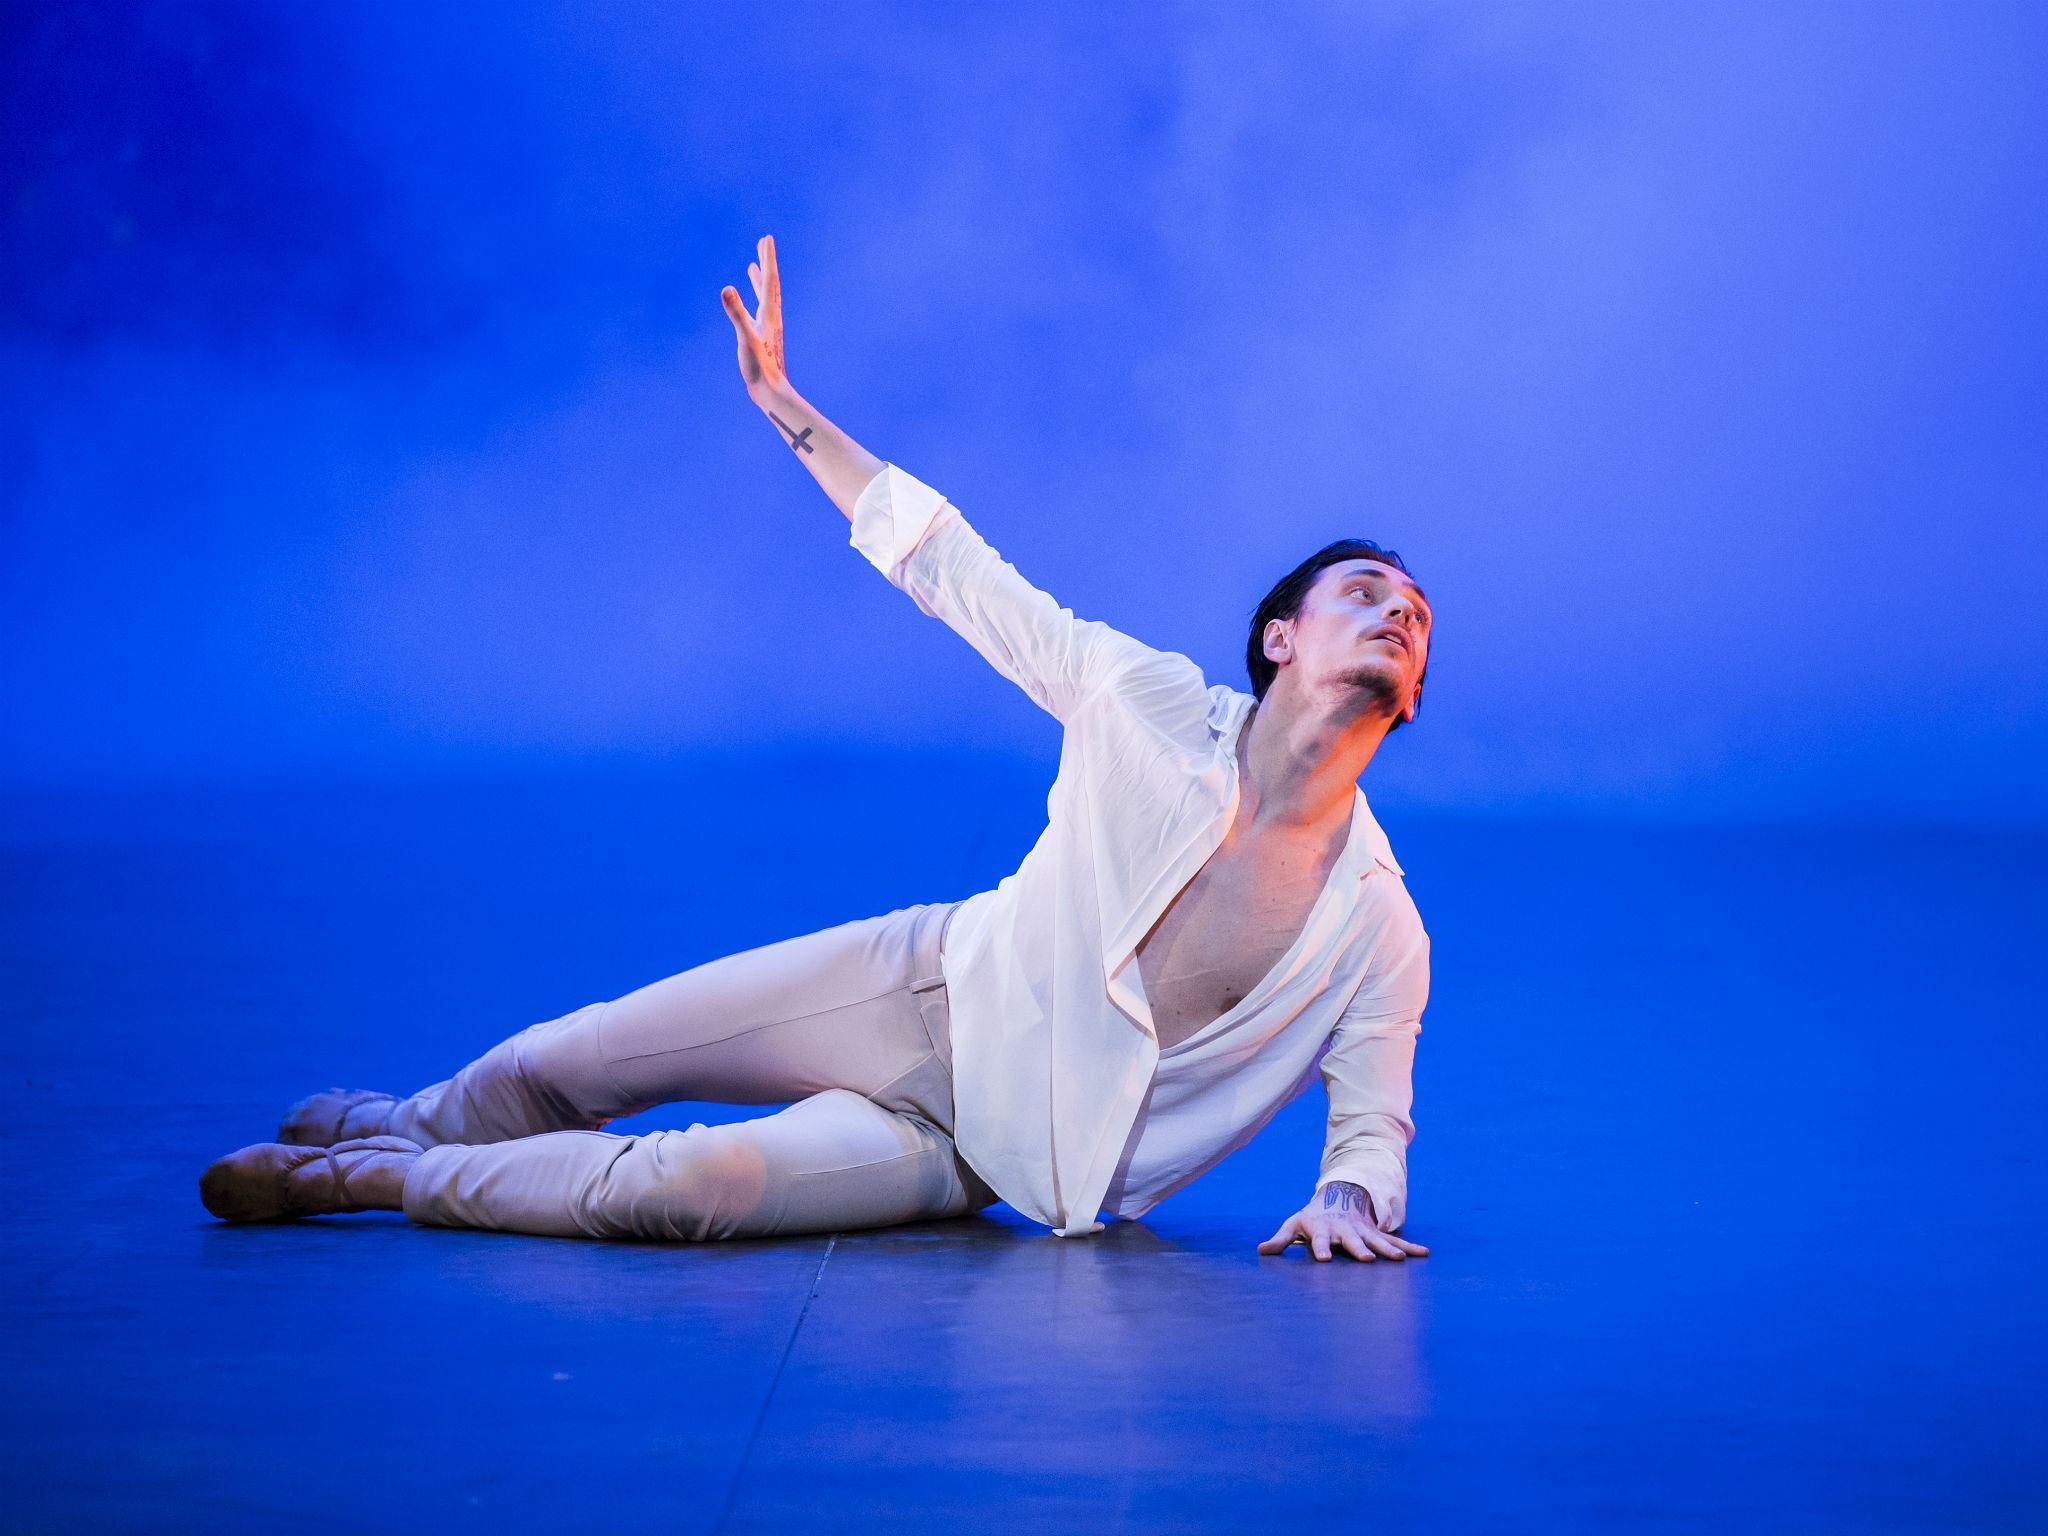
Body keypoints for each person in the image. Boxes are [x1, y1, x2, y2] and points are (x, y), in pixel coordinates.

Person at [198, 235, 1434, 1264]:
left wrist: (1345, 1202)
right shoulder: (1146, 700)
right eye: (1365, 591)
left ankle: (369, 1180)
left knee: (683, 1191)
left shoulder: (1376, 926)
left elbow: (1370, 1127)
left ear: (1409, 699)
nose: (1395, 613)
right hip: (923, 987)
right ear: (1276, 636)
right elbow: (958, 573)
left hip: (972, 1153)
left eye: (1414, 619)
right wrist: (787, 411)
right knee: (579, 1056)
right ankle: (412, 1119)